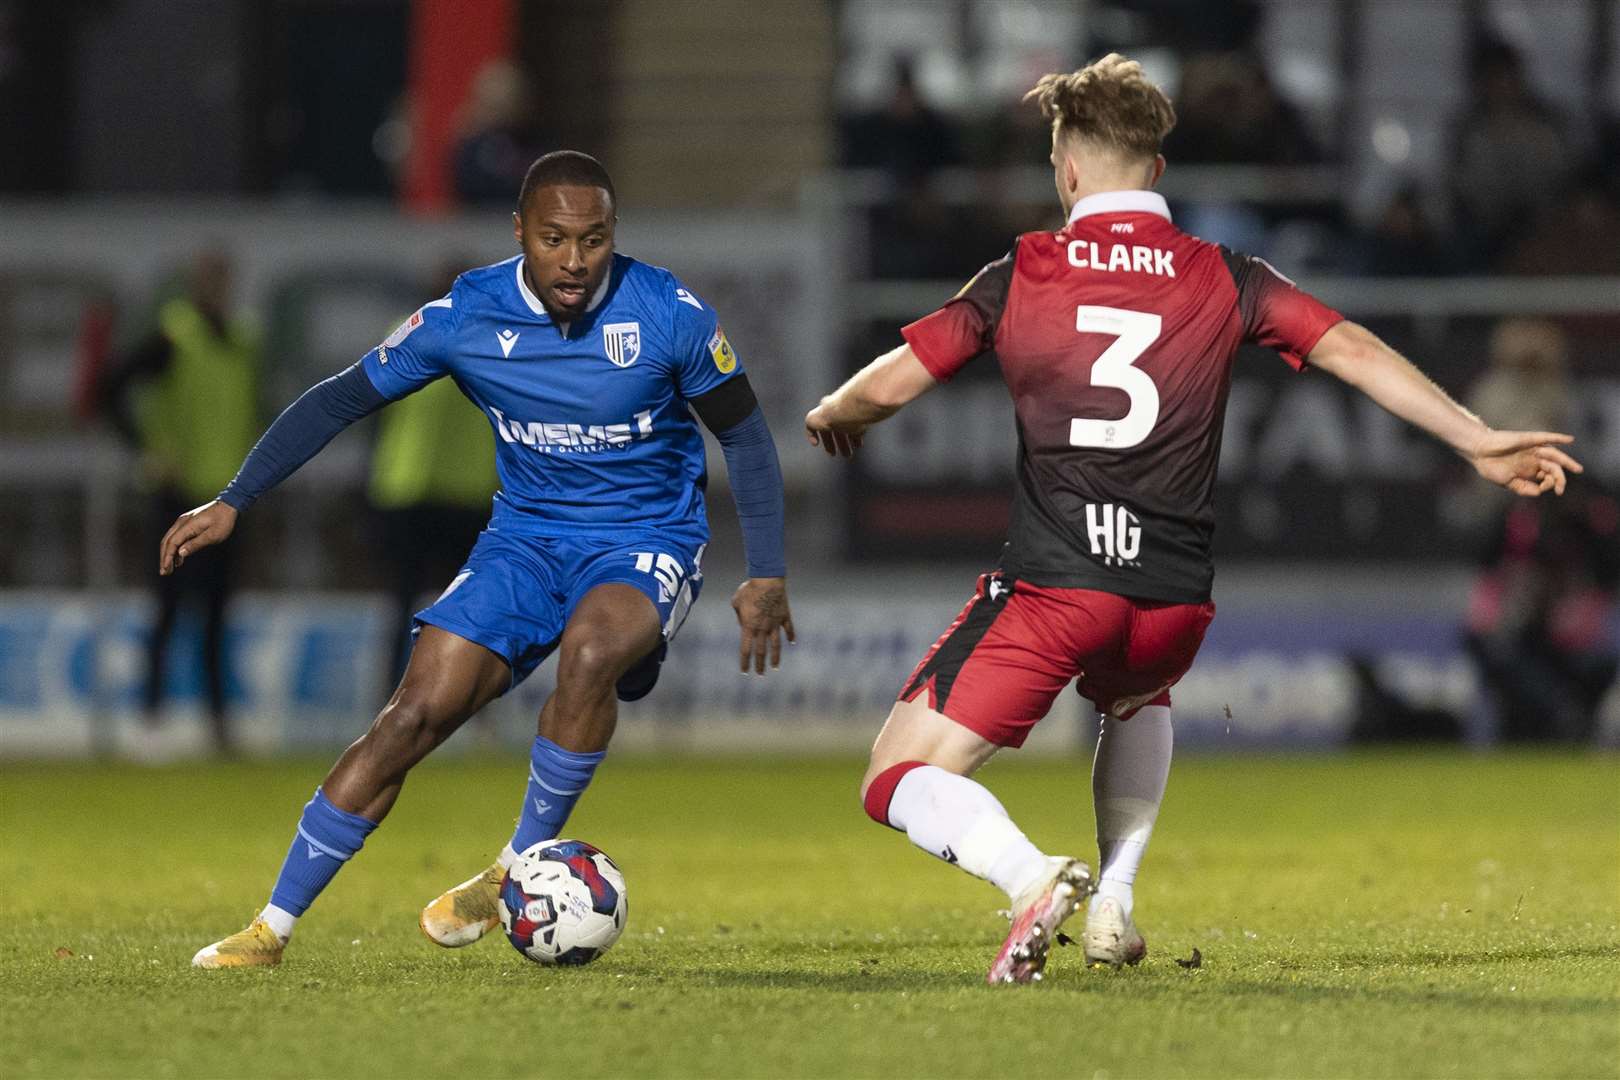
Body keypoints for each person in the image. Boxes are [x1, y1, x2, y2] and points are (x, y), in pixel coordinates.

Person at [804, 54, 1582, 985]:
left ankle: (1030, 879)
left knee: (896, 778)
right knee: (1136, 696)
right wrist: (1476, 437)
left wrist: (831, 411)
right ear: (1159, 172)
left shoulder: (1026, 270)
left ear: (1067, 168)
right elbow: (1354, 349)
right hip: (1172, 603)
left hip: (1058, 588)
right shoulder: (1224, 273)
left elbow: (888, 383)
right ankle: (1117, 903)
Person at [168, 151, 795, 968]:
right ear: (520, 234)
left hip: (645, 539)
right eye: (554, 238)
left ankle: (513, 869)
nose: (574, 261)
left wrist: (768, 570)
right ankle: (270, 929)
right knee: (411, 716)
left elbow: (743, 433)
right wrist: (234, 498)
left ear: (615, 236)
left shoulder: (668, 313)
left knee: (592, 653)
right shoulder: (466, 316)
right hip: (523, 542)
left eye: (594, 239)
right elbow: (341, 398)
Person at [100, 247, 261, 755]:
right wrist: (146, 450)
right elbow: (109, 389)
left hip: (226, 499)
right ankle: (150, 719)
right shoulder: (174, 338)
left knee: (216, 614)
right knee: (168, 610)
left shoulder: (240, 343)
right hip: (177, 497)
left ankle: (217, 725)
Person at [367, 260, 499, 687]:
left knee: (469, 608)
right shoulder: (412, 335)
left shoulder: (494, 344)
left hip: (459, 492)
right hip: (415, 490)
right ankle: (392, 699)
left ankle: (464, 702)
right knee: (408, 604)